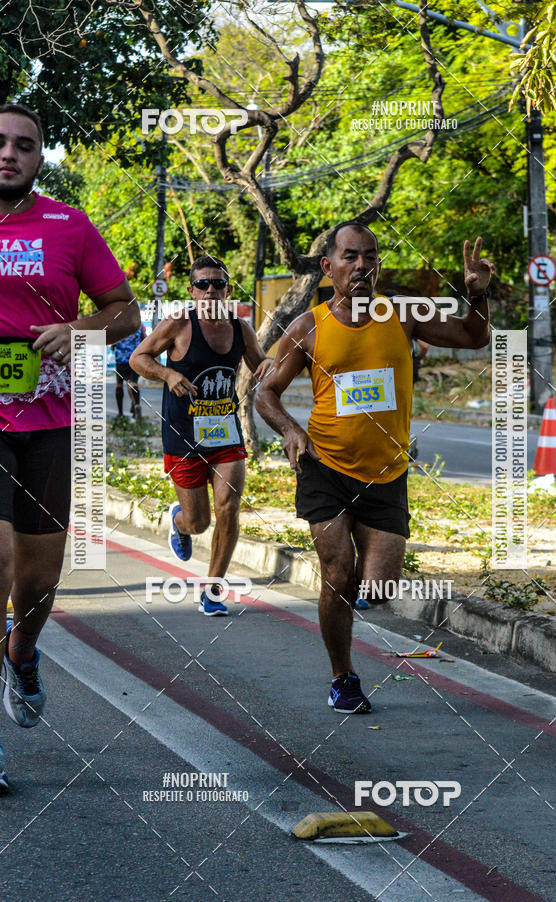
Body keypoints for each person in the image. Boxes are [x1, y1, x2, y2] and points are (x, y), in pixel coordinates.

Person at [256, 220, 493, 714]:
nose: (361, 266)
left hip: (386, 472)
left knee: (379, 588)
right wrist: (292, 431)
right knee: (338, 571)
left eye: (369, 256)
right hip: (324, 465)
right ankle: (343, 677)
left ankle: (354, 613)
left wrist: (476, 294)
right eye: (350, 257)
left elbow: (474, 338)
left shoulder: (402, 314)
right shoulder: (308, 327)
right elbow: (266, 393)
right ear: (329, 267)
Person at [0, 103, 139, 790]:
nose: (9, 154)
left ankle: (21, 650)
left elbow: (126, 312)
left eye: (24, 145)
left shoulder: (69, 225)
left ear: (39, 158)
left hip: (49, 425)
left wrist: (77, 329)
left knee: (38, 579)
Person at [130, 256, 272, 616]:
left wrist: (276, 364)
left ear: (228, 289)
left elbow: (261, 366)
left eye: (218, 284)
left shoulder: (241, 329)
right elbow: (138, 358)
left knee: (229, 507)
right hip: (184, 436)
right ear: (192, 290)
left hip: (226, 434)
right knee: (199, 523)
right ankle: (179, 519)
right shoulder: (178, 324)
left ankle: (213, 590)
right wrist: (167, 374)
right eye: (203, 284)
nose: (211, 290)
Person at [111, 324, 146, 421]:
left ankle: (120, 413)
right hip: (135, 360)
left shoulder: (117, 327)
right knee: (132, 383)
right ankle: (137, 405)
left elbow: (112, 346)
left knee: (119, 385)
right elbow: (145, 340)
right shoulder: (139, 325)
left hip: (120, 361)